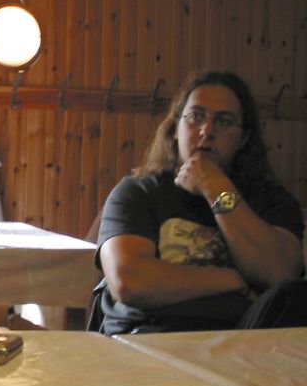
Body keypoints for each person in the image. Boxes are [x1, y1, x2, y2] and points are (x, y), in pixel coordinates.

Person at [95, 71, 306, 335]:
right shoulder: (138, 192)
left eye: (224, 121)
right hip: (149, 337)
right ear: (175, 129)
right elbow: (129, 281)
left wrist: (216, 189)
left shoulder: (272, 201)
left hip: (244, 342)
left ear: (243, 139)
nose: (207, 131)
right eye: (196, 117)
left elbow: (281, 277)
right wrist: (235, 278)